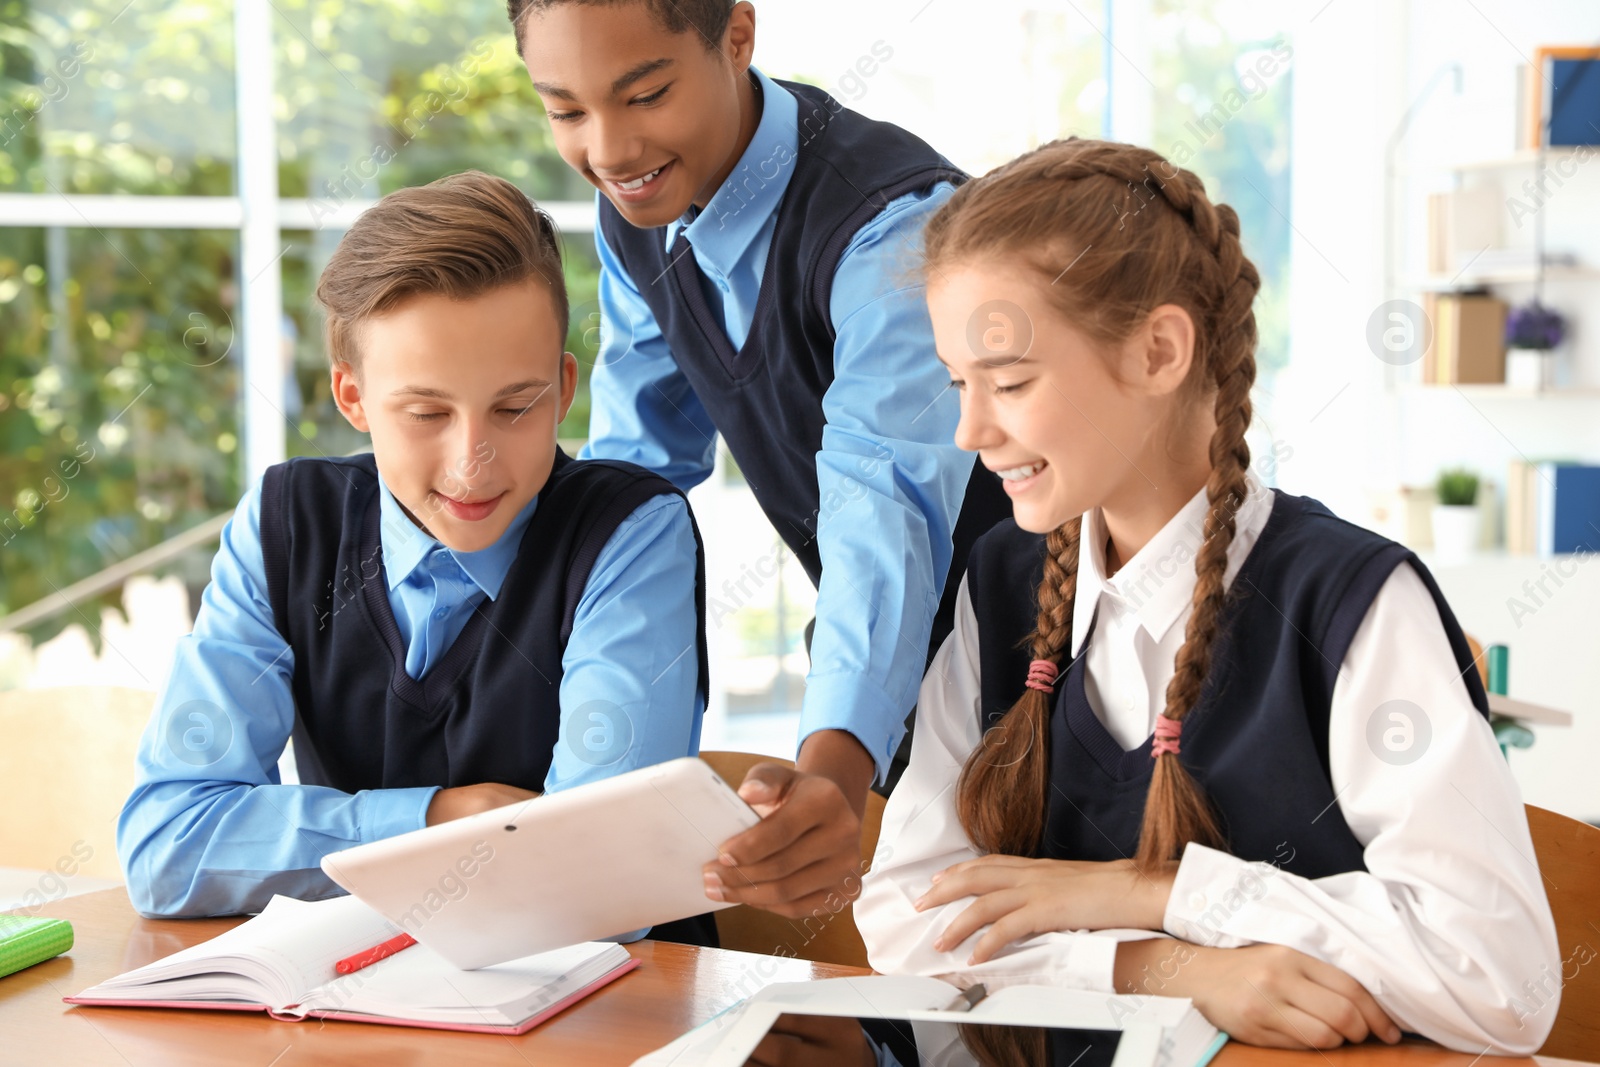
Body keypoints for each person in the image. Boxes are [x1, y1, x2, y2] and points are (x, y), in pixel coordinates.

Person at [855, 138, 1560, 1054]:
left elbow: (1502, 979)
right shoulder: (1000, 586)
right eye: (959, 383)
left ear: (1159, 350)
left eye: (1011, 382)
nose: (970, 428)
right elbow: (908, 923)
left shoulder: (1348, 601)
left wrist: (1152, 891)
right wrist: (1167, 967)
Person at [510, 0, 1011, 921]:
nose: (611, 150)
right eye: (566, 111)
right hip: (902, 666)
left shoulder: (888, 227)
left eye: (646, 93)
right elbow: (639, 469)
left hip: (1053, 651)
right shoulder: (637, 214)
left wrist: (832, 764)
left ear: (737, 35)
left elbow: (882, 507)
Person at [118, 172, 712, 949]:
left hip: (611, 1015)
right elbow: (169, 846)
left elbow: (602, 877)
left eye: (515, 406)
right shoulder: (282, 526)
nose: (474, 462)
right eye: (427, 412)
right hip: (372, 1004)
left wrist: (323, 847)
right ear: (353, 398)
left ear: (565, 388)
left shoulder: (630, 533)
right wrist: (436, 817)